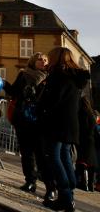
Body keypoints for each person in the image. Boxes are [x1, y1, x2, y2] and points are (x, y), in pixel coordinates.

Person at [38, 47, 91, 211]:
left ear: (57, 58)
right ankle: (69, 195)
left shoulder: (58, 75)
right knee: (65, 157)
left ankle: (66, 196)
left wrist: (40, 107)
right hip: (70, 124)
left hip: (56, 123)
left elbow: (52, 100)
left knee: (54, 157)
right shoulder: (75, 78)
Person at [3, 52, 54, 196]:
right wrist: (4, 84)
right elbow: (14, 92)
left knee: (41, 155)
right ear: (33, 61)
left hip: (39, 121)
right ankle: (30, 182)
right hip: (23, 118)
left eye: (45, 60)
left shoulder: (49, 77)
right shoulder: (24, 74)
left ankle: (50, 188)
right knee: (26, 153)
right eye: (40, 59)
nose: (43, 62)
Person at [75, 97, 98, 192]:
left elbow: (81, 127)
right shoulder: (92, 114)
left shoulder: (81, 113)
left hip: (83, 140)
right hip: (91, 140)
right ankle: (91, 185)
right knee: (91, 163)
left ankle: (84, 184)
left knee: (83, 162)